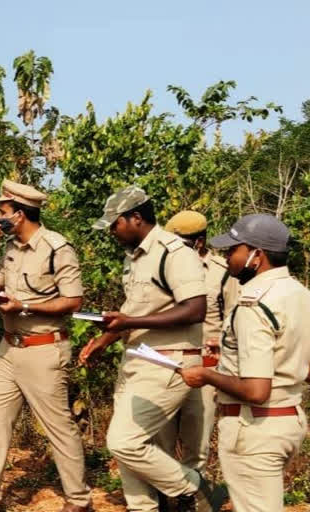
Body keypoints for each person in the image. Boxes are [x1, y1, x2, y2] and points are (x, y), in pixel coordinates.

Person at [0, 180, 91, 512]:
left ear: (20, 215)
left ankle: (79, 501)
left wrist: (25, 307)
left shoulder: (57, 248)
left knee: (59, 427)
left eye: (2, 212)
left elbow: (73, 300)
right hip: (8, 350)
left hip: (44, 349)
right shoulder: (9, 248)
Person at [79, 186, 225, 512]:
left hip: (167, 361)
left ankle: (195, 486)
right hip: (139, 359)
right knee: (129, 444)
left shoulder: (175, 252)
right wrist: (105, 339)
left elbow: (194, 309)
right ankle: (143, 508)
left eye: (115, 224)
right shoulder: (135, 257)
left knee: (123, 441)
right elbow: (139, 311)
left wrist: (129, 319)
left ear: (136, 218)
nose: (112, 232)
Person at [179, 214, 310, 512]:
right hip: (288, 420)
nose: (227, 259)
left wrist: (207, 375)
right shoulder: (300, 294)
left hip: (255, 426)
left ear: (256, 255)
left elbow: (256, 390)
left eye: (232, 251)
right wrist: (230, 354)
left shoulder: (253, 303)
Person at [155, 211, 238, 511]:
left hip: (205, 366)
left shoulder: (220, 271)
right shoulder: (162, 263)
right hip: (165, 362)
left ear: (199, 242)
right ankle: (164, 498)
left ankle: (193, 500)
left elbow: (235, 319)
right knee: (159, 438)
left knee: (196, 441)